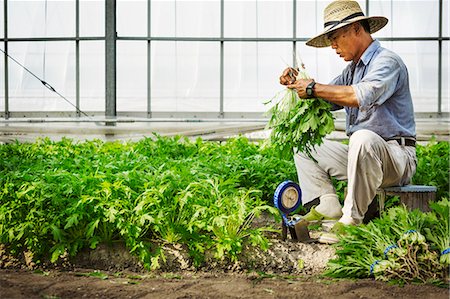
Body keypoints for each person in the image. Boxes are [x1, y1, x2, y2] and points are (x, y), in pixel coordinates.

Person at [279, 0, 416, 243]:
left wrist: (313, 88)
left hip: (396, 158)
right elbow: (325, 99)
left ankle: (351, 220)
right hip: (362, 156)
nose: (332, 46)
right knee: (303, 144)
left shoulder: (387, 62)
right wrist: (299, 84)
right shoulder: (352, 71)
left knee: (362, 138)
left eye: (335, 37)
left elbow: (358, 96)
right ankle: (328, 203)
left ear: (356, 29)